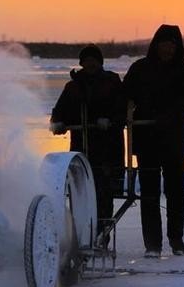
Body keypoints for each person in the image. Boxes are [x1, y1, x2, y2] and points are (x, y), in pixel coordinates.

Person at [123, 24, 184, 257]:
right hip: (147, 141)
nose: (168, 48)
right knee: (149, 193)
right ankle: (152, 244)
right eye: (164, 43)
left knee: (175, 191)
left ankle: (176, 239)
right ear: (156, 44)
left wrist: (166, 118)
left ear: (178, 47)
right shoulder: (140, 69)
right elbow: (124, 96)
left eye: (172, 44)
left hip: (174, 141)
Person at [50, 44, 125, 242]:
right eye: (86, 60)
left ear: (100, 62)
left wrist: (109, 121)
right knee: (78, 194)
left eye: (94, 60)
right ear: (81, 63)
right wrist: (58, 123)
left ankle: (101, 238)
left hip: (107, 150)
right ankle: (80, 239)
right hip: (80, 151)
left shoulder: (112, 83)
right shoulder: (72, 87)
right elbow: (60, 111)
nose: (90, 63)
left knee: (103, 195)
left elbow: (123, 112)